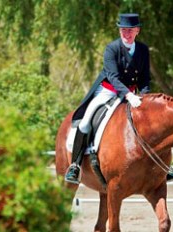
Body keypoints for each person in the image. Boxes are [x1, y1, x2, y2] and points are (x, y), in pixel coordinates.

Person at [65, 13, 151, 184]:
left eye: (130, 31)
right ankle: (75, 165)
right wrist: (128, 95)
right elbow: (112, 76)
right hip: (108, 92)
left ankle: (160, 166)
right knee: (85, 122)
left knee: (152, 121)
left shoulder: (143, 50)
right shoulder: (112, 48)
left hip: (134, 94)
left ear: (137, 31)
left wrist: (146, 98)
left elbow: (145, 79)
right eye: (123, 30)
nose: (126, 34)